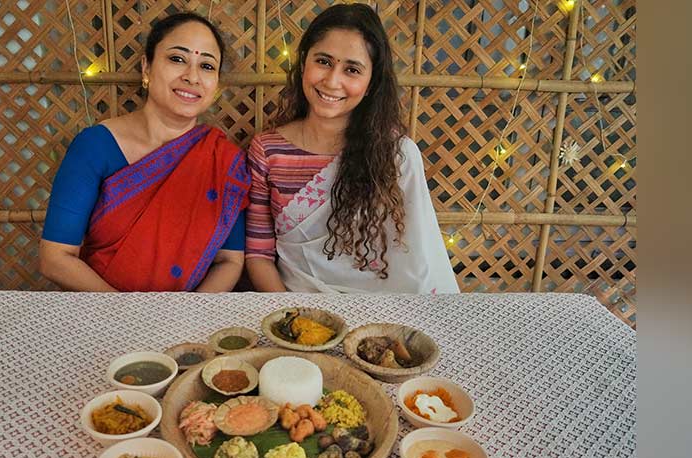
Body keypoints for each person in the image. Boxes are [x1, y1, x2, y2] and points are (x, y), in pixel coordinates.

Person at [245, 4, 458, 294]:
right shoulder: (267, 150)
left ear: (371, 82)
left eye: (352, 69)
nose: (333, 81)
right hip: (295, 312)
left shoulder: (397, 155)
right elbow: (258, 256)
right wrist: (293, 320)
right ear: (304, 61)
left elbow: (416, 262)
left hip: (381, 314)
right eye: (323, 61)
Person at [39, 12, 250, 292]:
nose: (192, 76)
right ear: (146, 68)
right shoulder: (95, 146)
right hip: (102, 314)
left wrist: (187, 317)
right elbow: (55, 258)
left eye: (207, 66)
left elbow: (229, 261)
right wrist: (130, 317)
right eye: (177, 59)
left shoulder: (223, 160)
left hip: (188, 320)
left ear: (216, 84)